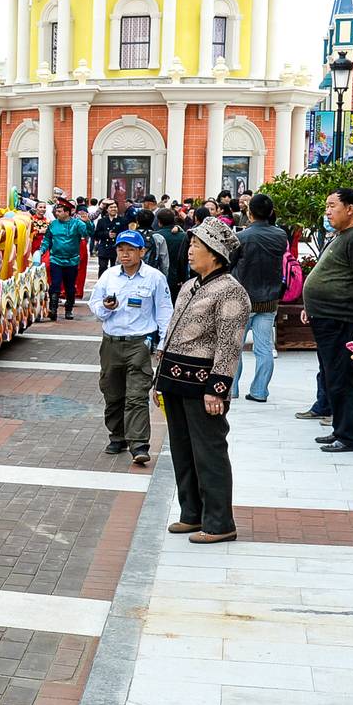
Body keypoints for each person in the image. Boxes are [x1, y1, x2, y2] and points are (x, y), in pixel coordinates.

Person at [155, 219, 251, 544]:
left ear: (216, 253)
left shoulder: (232, 292)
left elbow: (229, 344)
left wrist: (218, 388)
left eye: (197, 246)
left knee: (209, 452)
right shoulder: (190, 285)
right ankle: (191, 514)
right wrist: (159, 380)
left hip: (203, 387)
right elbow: (171, 335)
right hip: (174, 381)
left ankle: (220, 522)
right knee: (182, 452)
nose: (190, 251)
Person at [302, 187, 353, 453]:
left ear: (350, 209)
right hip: (326, 315)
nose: (327, 211)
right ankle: (340, 429)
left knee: (342, 377)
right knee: (332, 375)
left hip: (340, 318)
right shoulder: (343, 235)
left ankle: (350, 437)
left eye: (332, 205)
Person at [89, 230, 173, 466]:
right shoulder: (109, 276)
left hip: (139, 344)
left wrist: (164, 342)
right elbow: (95, 305)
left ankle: (139, 445)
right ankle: (117, 437)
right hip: (111, 343)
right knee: (112, 394)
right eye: (120, 249)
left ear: (141, 252)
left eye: (130, 250)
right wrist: (107, 307)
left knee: (136, 396)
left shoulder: (154, 278)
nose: (124, 255)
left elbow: (165, 312)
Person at [233, 193, 287, 403]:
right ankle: (259, 391)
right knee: (264, 348)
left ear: (249, 212)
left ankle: (232, 389)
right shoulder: (280, 235)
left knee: (234, 347)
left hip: (243, 299)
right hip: (269, 299)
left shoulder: (242, 237)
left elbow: (231, 263)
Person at [40, 200, 91, 320]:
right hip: (56, 259)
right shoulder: (53, 224)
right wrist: (42, 250)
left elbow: (88, 232)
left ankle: (69, 309)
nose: (56, 213)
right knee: (55, 284)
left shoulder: (77, 224)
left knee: (69, 286)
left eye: (59, 211)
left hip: (72, 260)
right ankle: (53, 310)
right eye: (56, 211)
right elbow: (47, 239)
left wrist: (87, 222)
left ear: (67, 212)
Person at [152, 207, 189, 296]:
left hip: (158, 277)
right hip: (178, 278)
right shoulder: (184, 236)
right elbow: (185, 259)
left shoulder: (155, 236)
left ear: (159, 222)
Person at [93, 201, 124, 277]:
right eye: (111, 207)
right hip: (104, 247)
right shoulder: (102, 221)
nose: (113, 209)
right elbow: (96, 234)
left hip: (116, 248)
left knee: (116, 268)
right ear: (107, 209)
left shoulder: (122, 220)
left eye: (115, 207)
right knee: (102, 267)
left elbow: (124, 234)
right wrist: (107, 234)